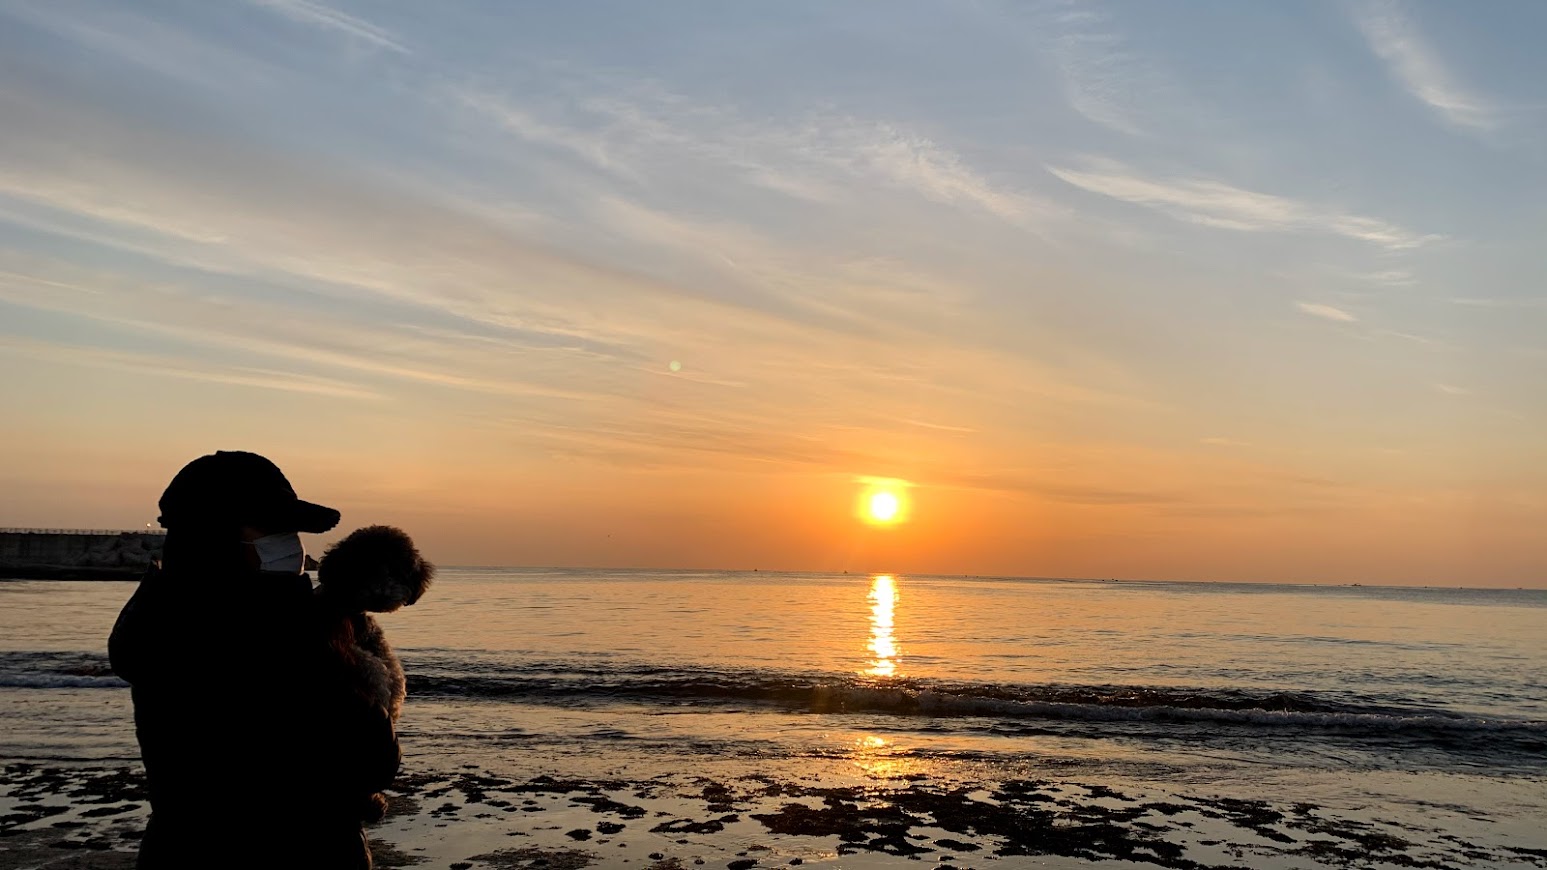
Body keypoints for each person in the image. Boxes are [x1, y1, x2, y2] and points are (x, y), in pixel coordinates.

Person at [109, 451, 400, 869]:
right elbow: (371, 759)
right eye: (273, 531)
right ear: (213, 541)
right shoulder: (259, 638)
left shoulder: (164, 619)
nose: (290, 545)